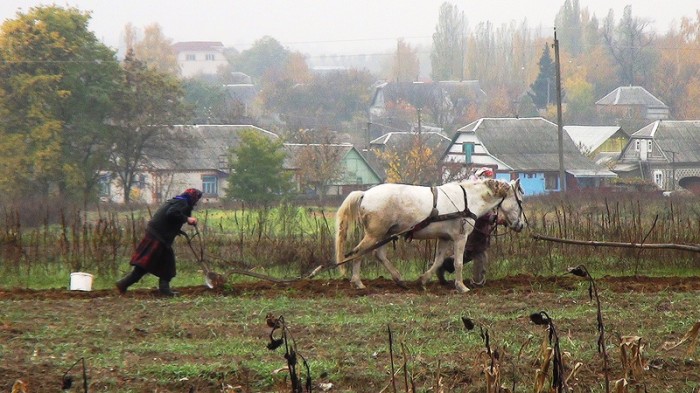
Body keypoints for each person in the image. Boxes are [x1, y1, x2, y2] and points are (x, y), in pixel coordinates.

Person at [116, 188, 202, 297]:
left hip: (156, 234)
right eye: (197, 199)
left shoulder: (177, 200)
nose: (196, 202)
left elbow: (170, 218)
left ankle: (124, 284)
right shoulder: (182, 202)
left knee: (157, 264)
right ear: (193, 198)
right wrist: (187, 219)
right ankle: (162, 290)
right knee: (155, 264)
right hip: (158, 236)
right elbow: (171, 214)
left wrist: (177, 229)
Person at [437, 167, 501, 288]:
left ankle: (443, 265)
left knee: (468, 253)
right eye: (488, 177)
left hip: (477, 229)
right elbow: (480, 212)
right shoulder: (476, 193)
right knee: (480, 255)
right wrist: (494, 218)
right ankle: (477, 282)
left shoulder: (477, 191)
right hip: (476, 230)